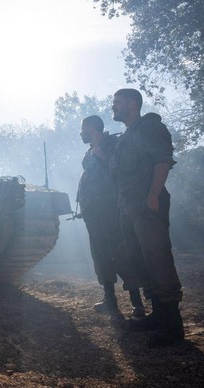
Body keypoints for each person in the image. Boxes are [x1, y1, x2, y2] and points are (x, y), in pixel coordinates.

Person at [110, 88, 184, 347]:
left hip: (146, 205)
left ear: (132, 103)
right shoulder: (125, 137)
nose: (113, 107)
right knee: (134, 260)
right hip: (129, 208)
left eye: (117, 102)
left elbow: (162, 162)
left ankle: (172, 325)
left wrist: (153, 196)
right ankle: (158, 315)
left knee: (158, 260)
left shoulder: (150, 127)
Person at [77, 115, 146, 318]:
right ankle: (110, 299)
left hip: (112, 212)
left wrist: (104, 159)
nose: (81, 133)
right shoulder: (89, 152)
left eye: (84, 128)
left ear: (93, 128)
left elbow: (124, 173)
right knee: (100, 255)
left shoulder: (114, 145)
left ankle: (137, 303)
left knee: (121, 254)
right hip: (94, 215)